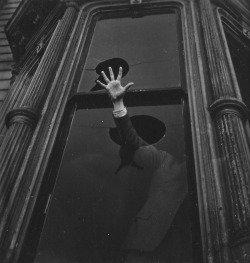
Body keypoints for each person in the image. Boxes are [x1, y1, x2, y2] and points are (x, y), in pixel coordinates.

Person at [97, 67, 189, 262]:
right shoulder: (166, 162)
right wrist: (118, 103)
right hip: (142, 248)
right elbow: (133, 143)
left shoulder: (215, 175)